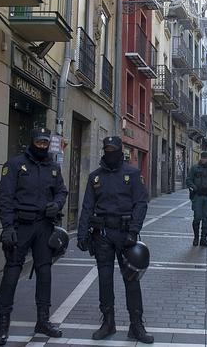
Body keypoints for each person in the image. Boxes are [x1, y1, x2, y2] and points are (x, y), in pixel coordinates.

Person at [0, 127, 67, 345]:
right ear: (32, 142)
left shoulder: (53, 167)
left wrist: (57, 204)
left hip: (44, 226)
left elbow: (62, 191)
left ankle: (43, 321)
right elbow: (5, 198)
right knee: (12, 273)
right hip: (20, 226)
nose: (42, 146)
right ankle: (2, 326)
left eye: (45, 143)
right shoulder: (14, 165)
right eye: (39, 142)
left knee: (45, 273)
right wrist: (7, 227)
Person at [77, 136, 154, 344]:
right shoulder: (95, 177)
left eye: (113, 149)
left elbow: (141, 203)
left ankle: (136, 325)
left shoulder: (132, 173)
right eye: (107, 149)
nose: (110, 152)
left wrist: (134, 231)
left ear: (120, 151)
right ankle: (108, 322)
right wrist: (82, 233)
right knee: (104, 279)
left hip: (125, 235)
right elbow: (87, 207)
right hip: (102, 236)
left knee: (131, 280)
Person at [186, 151, 207, 247]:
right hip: (197, 196)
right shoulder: (195, 168)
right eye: (203, 158)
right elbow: (188, 180)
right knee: (197, 218)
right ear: (201, 158)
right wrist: (195, 188)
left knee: (206, 219)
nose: (205, 160)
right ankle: (196, 238)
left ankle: (203, 239)